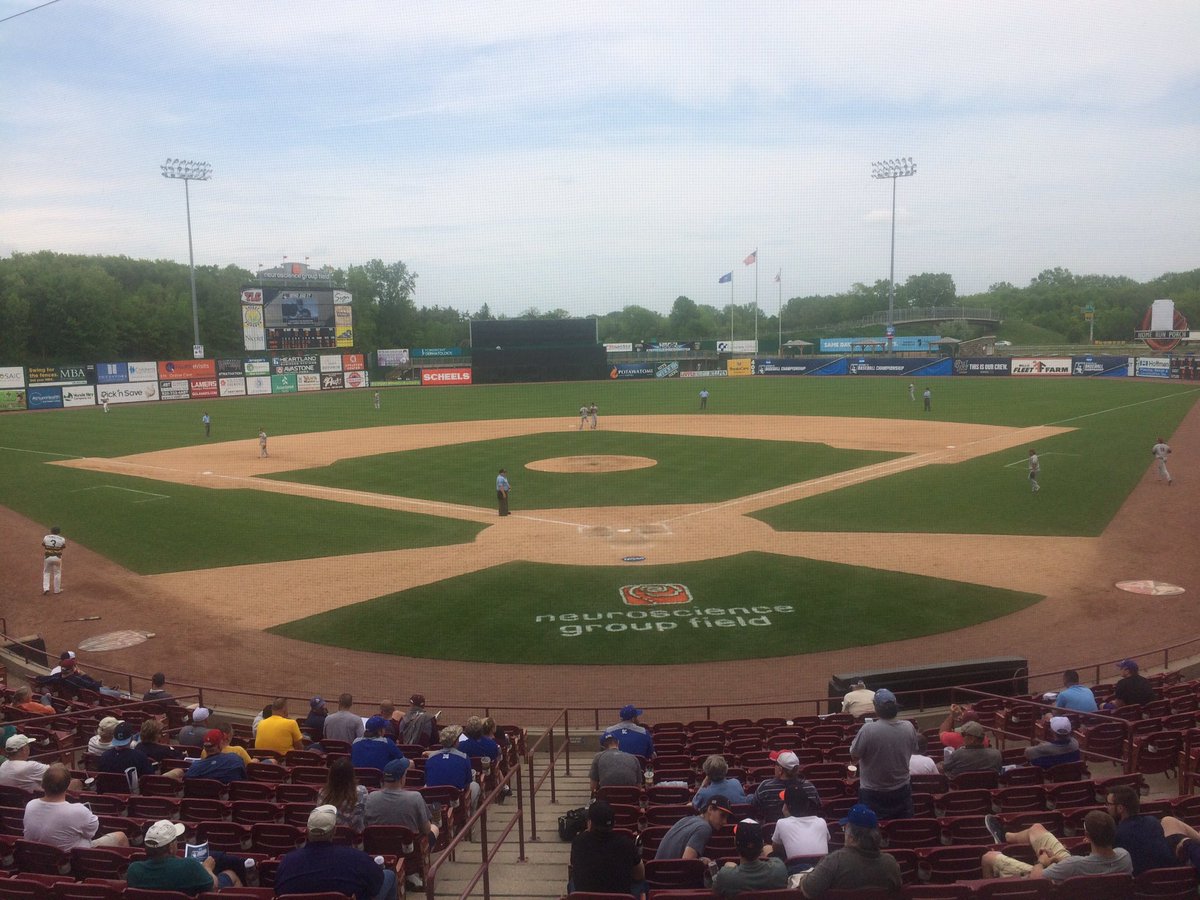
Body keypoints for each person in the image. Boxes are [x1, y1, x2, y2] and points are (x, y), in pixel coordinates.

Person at [274, 805, 398, 900]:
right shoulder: (355, 858)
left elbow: (279, 891)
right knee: (389, 875)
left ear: (306, 831)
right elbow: (376, 884)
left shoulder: (287, 862)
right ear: (334, 831)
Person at [982, 810, 1131, 881]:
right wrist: (1057, 860)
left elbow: (1036, 879)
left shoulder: (1074, 864)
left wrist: (1042, 861)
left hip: (1055, 883)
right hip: (1073, 873)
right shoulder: (1124, 856)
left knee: (988, 857)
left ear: (1087, 837)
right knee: (1037, 829)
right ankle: (1005, 837)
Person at [799, 804, 902, 898]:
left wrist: (803, 879)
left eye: (845, 829)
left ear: (852, 837)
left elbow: (808, 890)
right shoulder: (891, 864)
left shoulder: (835, 861)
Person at [365, 758, 437, 891]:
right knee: (434, 828)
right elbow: (426, 829)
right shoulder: (415, 797)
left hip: (380, 852)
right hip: (408, 852)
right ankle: (413, 872)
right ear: (402, 778)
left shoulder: (370, 797)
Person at [848, 688, 918, 820]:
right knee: (902, 830)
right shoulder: (909, 727)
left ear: (876, 708)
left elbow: (854, 755)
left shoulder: (868, 729)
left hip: (872, 793)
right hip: (902, 790)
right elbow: (914, 749)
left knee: (873, 833)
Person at [24, 763, 128, 850]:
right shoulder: (77, 811)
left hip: (38, 856)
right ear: (66, 787)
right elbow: (92, 833)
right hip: (75, 857)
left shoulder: (30, 805)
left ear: (43, 785)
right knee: (121, 837)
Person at [126, 818, 245, 891]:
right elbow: (213, 886)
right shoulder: (189, 866)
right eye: (175, 840)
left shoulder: (134, 870)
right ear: (171, 847)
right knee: (230, 874)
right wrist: (207, 868)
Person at [1108, 783, 1200, 874]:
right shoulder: (1152, 822)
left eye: (1109, 804)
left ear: (1120, 808)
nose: (1107, 807)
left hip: (1144, 883)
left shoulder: (1117, 834)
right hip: (1173, 874)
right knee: (1168, 821)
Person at [568, 799, 645, 897]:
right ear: (614, 823)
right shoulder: (627, 844)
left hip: (586, 897)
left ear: (590, 823)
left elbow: (574, 867)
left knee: (572, 883)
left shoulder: (578, 842)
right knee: (643, 884)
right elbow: (639, 876)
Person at [712, 818, 788, 896]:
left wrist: (731, 869)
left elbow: (712, 887)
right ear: (762, 844)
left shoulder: (726, 876)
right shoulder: (779, 868)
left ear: (735, 842)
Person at [771, 783, 830, 871]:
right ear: (807, 804)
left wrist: (787, 817)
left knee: (767, 848)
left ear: (786, 807)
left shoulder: (781, 823)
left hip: (795, 872)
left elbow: (776, 849)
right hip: (823, 871)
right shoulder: (821, 822)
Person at [424, 725, 481, 814]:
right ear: (455, 742)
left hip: (435, 803)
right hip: (456, 803)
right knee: (475, 786)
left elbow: (427, 780)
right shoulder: (463, 757)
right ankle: (470, 818)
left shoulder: (431, 757)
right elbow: (467, 785)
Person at [98, 722, 184, 781]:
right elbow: (150, 778)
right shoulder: (138, 755)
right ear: (131, 738)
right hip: (133, 792)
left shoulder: (104, 755)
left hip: (111, 793)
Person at [752, 750, 821, 823]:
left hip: (772, 831)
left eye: (775, 764)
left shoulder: (765, 787)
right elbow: (818, 807)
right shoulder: (810, 787)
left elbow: (754, 808)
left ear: (780, 769)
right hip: (805, 831)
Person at [655, 796, 732, 860]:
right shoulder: (704, 828)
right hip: (670, 875)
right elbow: (687, 861)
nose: (725, 822)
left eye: (727, 818)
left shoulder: (686, 819)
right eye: (722, 815)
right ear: (710, 809)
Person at [2, 734, 83, 793]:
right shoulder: (30, 766)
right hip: (39, 801)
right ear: (24, 749)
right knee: (76, 783)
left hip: (16, 806)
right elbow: (57, 771)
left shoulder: (3, 765)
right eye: (28, 746)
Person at [319, 757, 369, 833]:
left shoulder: (323, 792)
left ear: (331, 776)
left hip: (328, 837)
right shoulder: (362, 791)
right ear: (352, 775)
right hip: (354, 839)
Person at [41, 525, 66, 596]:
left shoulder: (46, 537)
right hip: (57, 558)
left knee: (46, 572)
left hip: (48, 557)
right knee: (57, 573)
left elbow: (44, 545)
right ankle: (57, 590)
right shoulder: (62, 539)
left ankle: (46, 588)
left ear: (51, 531)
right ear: (59, 532)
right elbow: (63, 547)